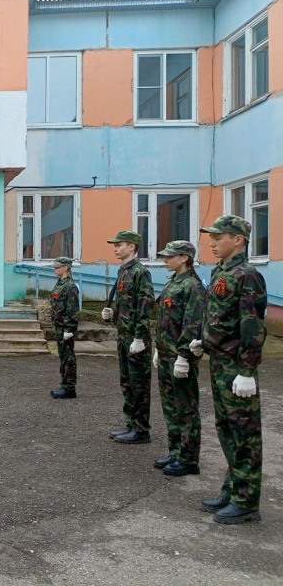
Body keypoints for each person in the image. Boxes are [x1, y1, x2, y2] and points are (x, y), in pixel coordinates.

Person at [191, 216, 266, 524]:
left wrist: (247, 370)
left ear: (238, 240)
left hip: (236, 367)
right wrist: (202, 341)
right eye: (212, 237)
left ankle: (247, 502)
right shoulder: (221, 271)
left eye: (219, 237)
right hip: (219, 362)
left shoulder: (248, 275)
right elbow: (216, 315)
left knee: (245, 434)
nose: (212, 242)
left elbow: (252, 325)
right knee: (226, 429)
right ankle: (233, 489)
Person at [152, 241, 206, 477]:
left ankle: (188, 459)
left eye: (169, 256)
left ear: (184, 258)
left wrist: (183, 355)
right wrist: (158, 348)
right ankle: (176, 451)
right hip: (166, 354)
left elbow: (193, 324)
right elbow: (165, 319)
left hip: (179, 357)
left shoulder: (192, 286)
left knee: (186, 409)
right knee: (170, 407)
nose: (165, 259)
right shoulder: (173, 282)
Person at [101, 231, 154, 444]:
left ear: (131, 246)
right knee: (127, 382)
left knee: (139, 383)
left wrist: (140, 337)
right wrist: (112, 314)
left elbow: (144, 305)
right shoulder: (123, 271)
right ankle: (131, 422)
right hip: (124, 336)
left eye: (119, 245)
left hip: (135, 338)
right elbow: (127, 305)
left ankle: (142, 429)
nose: (115, 248)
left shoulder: (140, 272)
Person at [49, 257, 79, 399]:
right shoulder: (60, 284)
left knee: (68, 358)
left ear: (66, 267)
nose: (55, 269)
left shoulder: (70, 286)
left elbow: (72, 310)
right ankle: (64, 384)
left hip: (65, 328)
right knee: (63, 356)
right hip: (59, 326)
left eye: (57, 267)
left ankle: (69, 388)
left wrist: (69, 330)